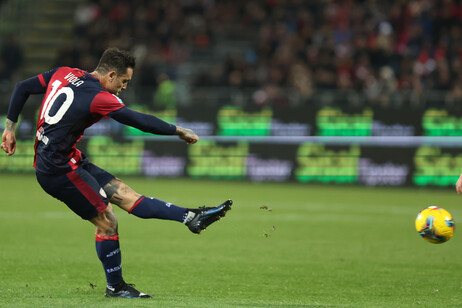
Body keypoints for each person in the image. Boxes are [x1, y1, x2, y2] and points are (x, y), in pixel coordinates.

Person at [1, 47, 232, 299]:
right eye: (124, 82)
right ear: (111, 74)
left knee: (124, 193)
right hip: (57, 169)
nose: (124, 87)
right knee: (107, 222)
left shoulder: (64, 73)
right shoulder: (99, 97)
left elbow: (22, 87)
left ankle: (191, 217)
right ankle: (116, 287)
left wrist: (9, 128)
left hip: (69, 158)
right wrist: (177, 130)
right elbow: (137, 120)